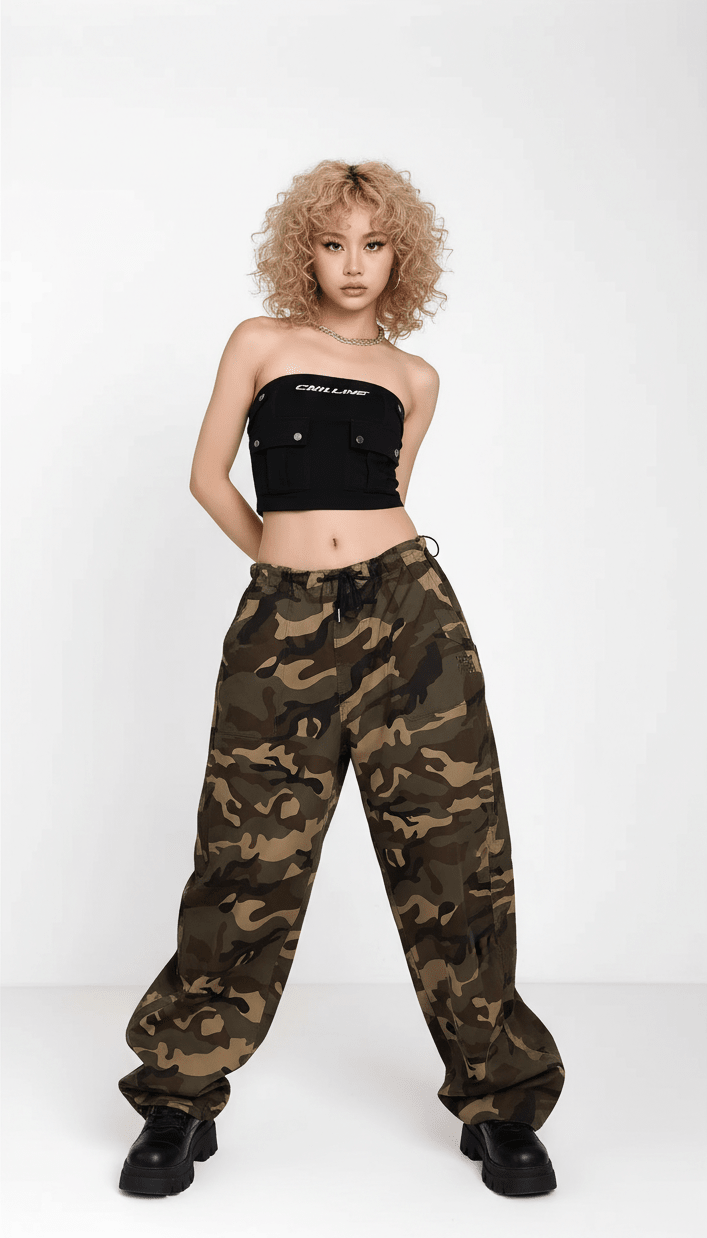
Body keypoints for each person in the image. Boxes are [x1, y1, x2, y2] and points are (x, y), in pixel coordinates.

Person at [117, 159, 565, 1198]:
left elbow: (385, 496)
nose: (352, 263)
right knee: (243, 862)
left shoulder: (415, 377)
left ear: (401, 255)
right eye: (331, 243)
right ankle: (179, 1096)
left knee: (455, 858)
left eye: (372, 243)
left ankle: (500, 1100)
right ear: (303, 252)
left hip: (409, 616)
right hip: (281, 623)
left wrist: (352, 579)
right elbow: (208, 478)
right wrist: (285, 577)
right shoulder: (260, 342)